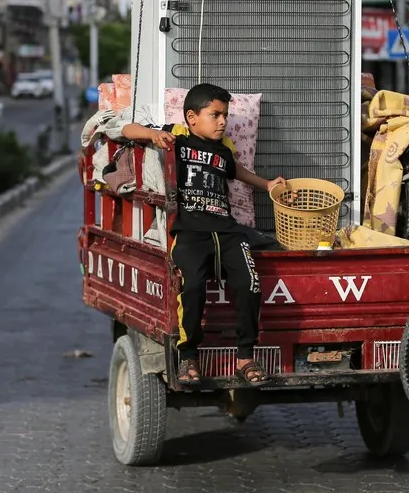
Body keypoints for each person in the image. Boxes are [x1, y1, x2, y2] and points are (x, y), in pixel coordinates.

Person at [121, 83, 286, 387]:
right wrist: (152, 136)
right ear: (192, 117)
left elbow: (238, 171)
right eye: (215, 115)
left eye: (225, 116)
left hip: (227, 230)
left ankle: (245, 357)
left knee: (250, 284)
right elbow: (128, 130)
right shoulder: (178, 137)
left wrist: (267, 185)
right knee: (193, 286)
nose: (223, 122)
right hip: (190, 231)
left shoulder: (224, 149)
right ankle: (188, 356)